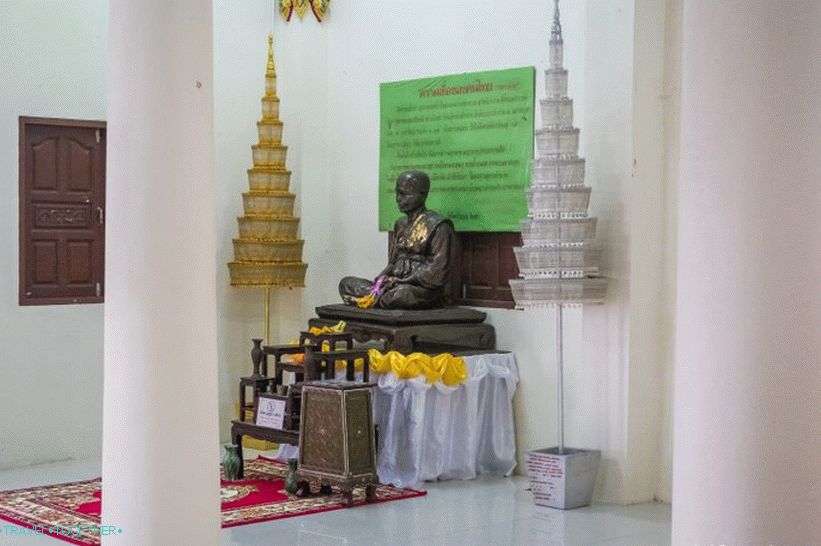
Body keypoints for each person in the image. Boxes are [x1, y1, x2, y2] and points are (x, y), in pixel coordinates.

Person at [339, 170, 454, 309]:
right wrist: (380, 280)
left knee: (402, 295)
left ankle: (373, 300)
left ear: (423, 194)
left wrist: (403, 281)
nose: (398, 198)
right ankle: (378, 297)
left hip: (420, 290)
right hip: (393, 284)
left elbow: (437, 271)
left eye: (404, 194)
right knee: (346, 284)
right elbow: (393, 263)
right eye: (397, 193)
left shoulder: (438, 225)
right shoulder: (400, 224)